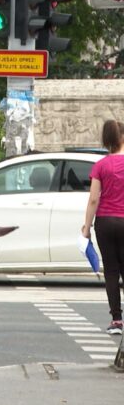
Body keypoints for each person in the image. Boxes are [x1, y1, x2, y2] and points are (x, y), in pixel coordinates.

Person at [82, 120, 124, 335]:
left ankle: (116, 320)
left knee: (111, 271)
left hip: (105, 222)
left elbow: (93, 200)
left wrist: (86, 227)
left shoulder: (100, 165)